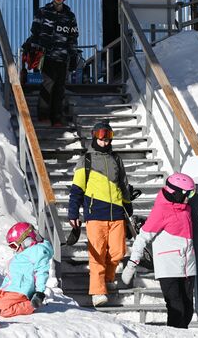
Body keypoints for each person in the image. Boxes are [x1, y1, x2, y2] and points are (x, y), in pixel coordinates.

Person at [67, 122, 133, 307]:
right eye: (102, 138)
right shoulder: (86, 160)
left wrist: (128, 206)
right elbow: (77, 189)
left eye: (108, 138)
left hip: (117, 213)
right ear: (95, 137)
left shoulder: (116, 159)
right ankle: (97, 292)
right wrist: (73, 212)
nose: (105, 142)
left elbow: (124, 184)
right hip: (95, 214)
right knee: (97, 255)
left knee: (118, 251)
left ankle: (108, 277)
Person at [121, 173, 197, 329]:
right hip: (169, 268)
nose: (190, 197)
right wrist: (131, 264)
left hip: (188, 266)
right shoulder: (161, 211)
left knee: (188, 310)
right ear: (177, 193)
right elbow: (142, 238)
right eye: (188, 193)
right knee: (177, 310)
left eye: (192, 193)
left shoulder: (186, 208)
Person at [28, 0, 79, 127]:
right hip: (46, 57)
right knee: (47, 86)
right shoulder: (43, 12)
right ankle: (43, 115)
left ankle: (57, 117)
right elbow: (35, 33)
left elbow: (73, 38)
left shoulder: (70, 16)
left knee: (59, 89)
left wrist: (73, 56)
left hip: (62, 58)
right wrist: (33, 50)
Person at [0, 222, 53, 318]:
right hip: (6, 289)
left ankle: (30, 305)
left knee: (2, 311)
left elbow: (41, 273)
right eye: (11, 246)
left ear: (27, 240)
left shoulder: (38, 252)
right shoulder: (22, 254)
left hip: (19, 291)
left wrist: (39, 293)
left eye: (14, 245)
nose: (14, 250)